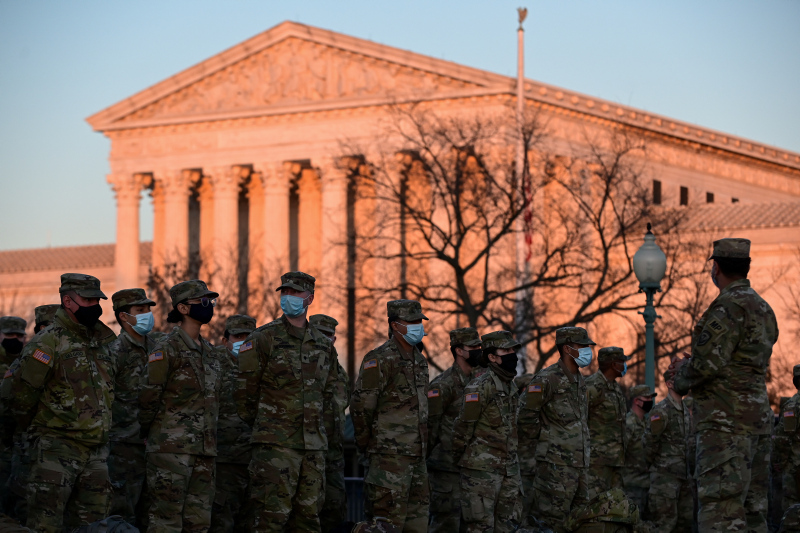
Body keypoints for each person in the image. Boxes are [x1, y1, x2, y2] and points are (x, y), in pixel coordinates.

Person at [674, 238, 779, 532]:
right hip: (757, 421)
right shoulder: (764, 308)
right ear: (746, 268)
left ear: (716, 267)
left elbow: (706, 364)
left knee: (721, 510)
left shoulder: (726, 308)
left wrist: (682, 373)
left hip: (725, 425)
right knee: (754, 511)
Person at [9, 273, 116, 533]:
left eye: (97, 300)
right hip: (57, 450)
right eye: (88, 300)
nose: (96, 306)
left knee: (95, 526)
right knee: (46, 524)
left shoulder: (102, 342)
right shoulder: (48, 342)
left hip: (96, 452)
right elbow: (20, 398)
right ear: (68, 302)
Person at [235, 272, 340, 532]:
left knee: (308, 520)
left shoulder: (323, 345)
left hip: (313, 449)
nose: (288, 297)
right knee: (270, 520)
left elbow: (330, 393)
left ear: (310, 299)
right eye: (285, 292)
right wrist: (268, 427)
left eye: (295, 293)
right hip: (275, 447)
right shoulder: (263, 338)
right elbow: (244, 392)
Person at [139, 279, 223, 533]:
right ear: (184, 308)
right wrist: (152, 435)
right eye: (203, 302)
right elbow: (147, 397)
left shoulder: (209, 352)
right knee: (167, 520)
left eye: (211, 302)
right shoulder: (167, 349)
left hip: (204, 451)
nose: (209, 307)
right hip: (170, 450)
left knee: (199, 523)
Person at [350, 299, 430, 532]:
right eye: (412, 322)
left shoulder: (420, 362)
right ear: (395, 325)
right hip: (388, 460)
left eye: (419, 321)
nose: (418, 326)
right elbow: (361, 407)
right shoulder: (379, 359)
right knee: (386, 527)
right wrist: (369, 447)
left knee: (418, 526)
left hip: (418, 458)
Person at [517, 326, 594, 532]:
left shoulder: (580, 381)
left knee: (579, 521)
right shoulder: (547, 378)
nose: (588, 350)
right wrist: (543, 440)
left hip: (579, 466)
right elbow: (525, 414)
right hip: (555, 466)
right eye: (583, 346)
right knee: (551, 522)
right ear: (567, 348)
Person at [451, 330, 523, 532]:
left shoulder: (511, 386)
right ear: (492, 357)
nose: (512, 354)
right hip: (481, 473)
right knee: (480, 528)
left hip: (508, 470)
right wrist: (467, 462)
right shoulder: (480, 387)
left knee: (508, 527)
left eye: (512, 349)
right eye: (506, 350)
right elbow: (462, 428)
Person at [106, 288, 158, 527]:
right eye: (140, 310)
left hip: (157, 446)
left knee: (155, 513)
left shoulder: (159, 347)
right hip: (125, 446)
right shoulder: (114, 353)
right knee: (123, 512)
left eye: (148, 309)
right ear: (124, 316)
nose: (147, 314)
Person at [427, 327, 482, 533]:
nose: (479, 350)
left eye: (479, 346)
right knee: (446, 525)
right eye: (473, 347)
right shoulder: (443, 385)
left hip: (472, 469)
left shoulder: (479, 383)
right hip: (446, 471)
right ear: (459, 351)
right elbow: (430, 426)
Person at [210, 314, 256, 533]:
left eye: (249, 336)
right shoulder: (211, 361)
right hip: (223, 459)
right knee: (222, 521)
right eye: (238, 336)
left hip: (255, 459)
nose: (243, 341)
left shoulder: (263, 364)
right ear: (225, 340)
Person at [310, 314, 351, 533]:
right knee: (307, 513)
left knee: (335, 512)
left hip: (334, 453)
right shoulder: (303, 367)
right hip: (308, 452)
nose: (326, 340)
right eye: (320, 334)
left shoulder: (340, 373)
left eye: (329, 335)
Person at [642, 365, 694, 533]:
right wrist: (658, 467)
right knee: (663, 526)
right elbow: (649, 442)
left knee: (684, 524)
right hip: (665, 481)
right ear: (669, 384)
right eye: (679, 379)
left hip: (685, 479)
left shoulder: (686, 411)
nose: (684, 383)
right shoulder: (661, 411)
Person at [586, 346, 629, 496]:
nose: (624, 365)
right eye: (622, 361)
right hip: (597, 463)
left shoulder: (615, 388)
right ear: (613, 364)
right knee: (595, 504)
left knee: (615, 505)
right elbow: (579, 417)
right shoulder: (593, 387)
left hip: (615, 460)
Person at [0, 316, 26, 515]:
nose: (15, 339)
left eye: (20, 336)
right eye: (9, 335)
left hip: (18, 444)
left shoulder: (27, 362)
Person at [621, 384, 657, 515]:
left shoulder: (645, 423)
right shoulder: (629, 423)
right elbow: (620, 452)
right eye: (647, 398)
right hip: (632, 485)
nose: (650, 401)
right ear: (637, 401)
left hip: (646, 484)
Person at [774, 365, 800, 519]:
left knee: (792, 512)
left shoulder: (793, 406)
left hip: (795, 467)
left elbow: (783, 438)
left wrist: (778, 462)